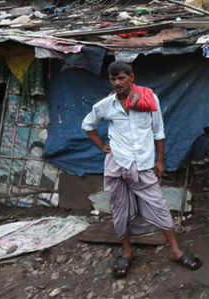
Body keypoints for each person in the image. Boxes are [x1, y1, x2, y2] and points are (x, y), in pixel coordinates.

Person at [82, 61, 202, 278]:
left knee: (159, 204)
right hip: (117, 164)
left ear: (131, 77)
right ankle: (127, 252)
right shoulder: (106, 105)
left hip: (144, 164)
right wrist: (101, 146)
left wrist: (160, 160)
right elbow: (88, 125)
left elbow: (159, 131)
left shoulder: (148, 99)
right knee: (119, 208)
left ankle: (175, 250)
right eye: (113, 79)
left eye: (121, 78)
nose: (117, 83)